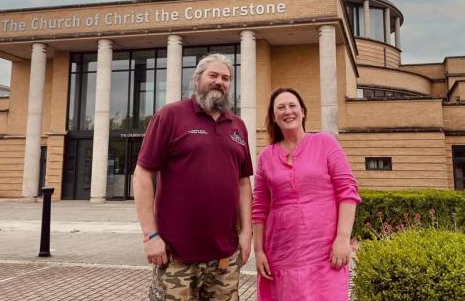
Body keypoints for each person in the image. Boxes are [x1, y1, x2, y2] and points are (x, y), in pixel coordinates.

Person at [134, 53, 254, 301]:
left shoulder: (238, 126)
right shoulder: (171, 116)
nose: (219, 82)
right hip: (176, 256)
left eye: (226, 78)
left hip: (225, 258)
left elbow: (244, 183)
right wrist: (150, 235)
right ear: (197, 79)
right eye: (213, 75)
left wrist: (246, 233)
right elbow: (143, 174)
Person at [252, 87, 361, 300]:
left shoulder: (325, 143)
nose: (287, 111)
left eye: (292, 106)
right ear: (274, 117)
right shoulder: (266, 156)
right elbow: (259, 208)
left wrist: (342, 239)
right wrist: (258, 251)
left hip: (324, 253)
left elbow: (348, 191)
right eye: (280, 108)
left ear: (303, 112)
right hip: (280, 255)